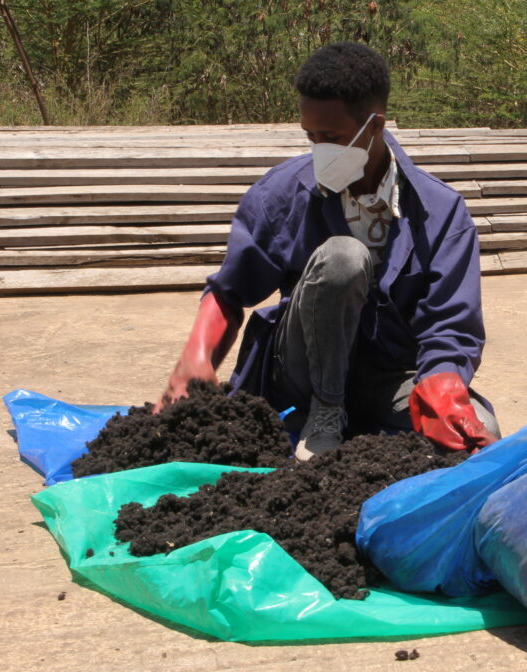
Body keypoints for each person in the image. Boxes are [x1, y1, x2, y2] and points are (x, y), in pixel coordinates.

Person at [156, 42, 499, 460]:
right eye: (310, 137)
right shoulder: (281, 194)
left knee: (478, 433)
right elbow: (230, 291)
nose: (319, 150)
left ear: (375, 125)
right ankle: (325, 412)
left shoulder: (440, 212)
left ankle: (363, 416)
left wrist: (443, 383)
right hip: (297, 372)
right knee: (343, 257)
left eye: (332, 138)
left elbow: (451, 325)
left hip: (386, 376)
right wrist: (197, 354)